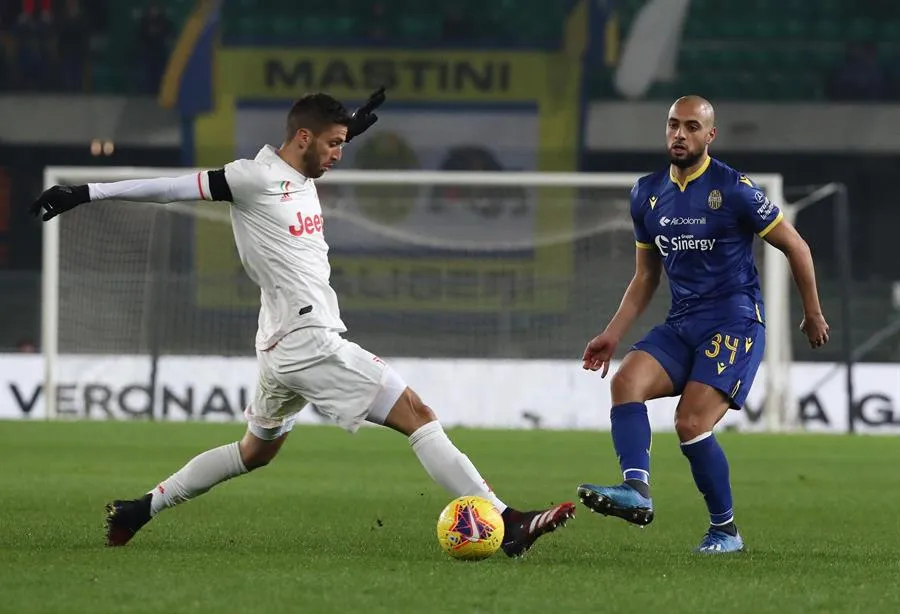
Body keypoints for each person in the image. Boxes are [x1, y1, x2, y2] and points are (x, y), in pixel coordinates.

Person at [30, 88, 575, 557]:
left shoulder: (300, 167)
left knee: (254, 452)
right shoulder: (251, 177)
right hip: (309, 340)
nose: (339, 152)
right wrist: (85, 193)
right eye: (333, 142)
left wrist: (350, 126)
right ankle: (507, 522)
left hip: (277, 343)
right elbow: (171, 187)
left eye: (344, 142)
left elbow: (316, 151)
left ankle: (140, 509)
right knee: (417, 413)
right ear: (303, 138)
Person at [576, 96, 829, 553]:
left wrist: (812, 313)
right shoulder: (646, 193)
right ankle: (636, 490)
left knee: (689, 423)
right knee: (626, 381)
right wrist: (612, 333)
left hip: (734, 322)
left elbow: (798, 247)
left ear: (709, 135)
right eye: (673, 125)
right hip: (683, 322)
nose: (680, 134)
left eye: (692, 127)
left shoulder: (734, 189)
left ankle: (725, 530)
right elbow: (646, 276)